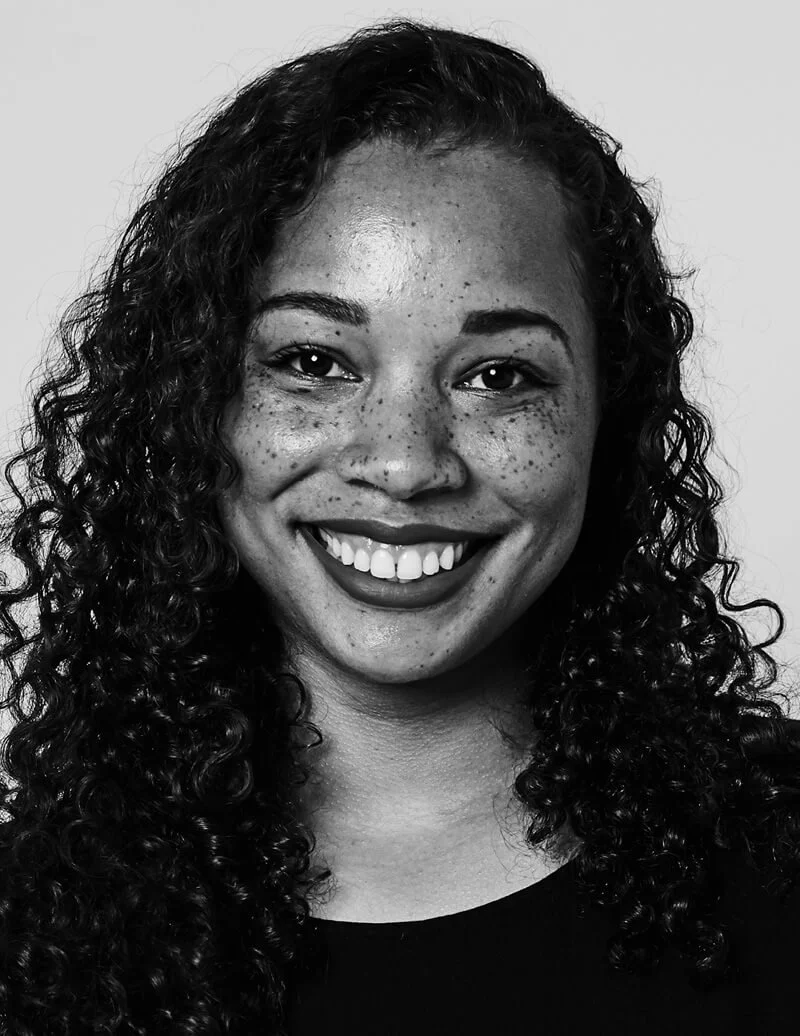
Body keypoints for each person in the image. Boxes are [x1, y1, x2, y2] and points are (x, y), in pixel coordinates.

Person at [0, 17, 798, 1036]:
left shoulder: (778, 870)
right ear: (196, 401)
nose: (404, 461)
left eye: (498, 376)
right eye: (315, 361)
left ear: (609, 421)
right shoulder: (33, 938)